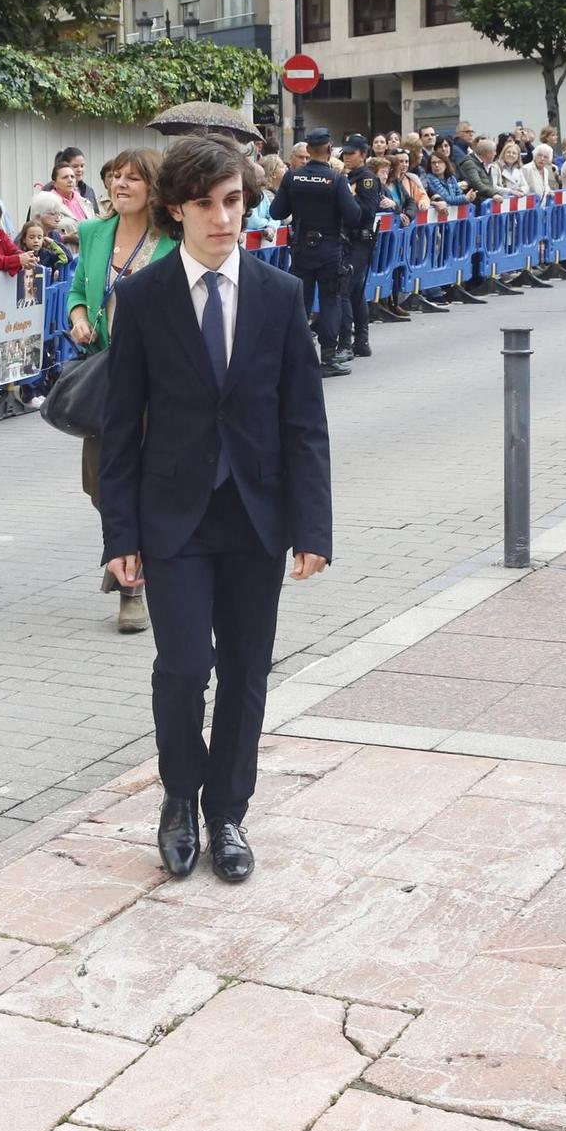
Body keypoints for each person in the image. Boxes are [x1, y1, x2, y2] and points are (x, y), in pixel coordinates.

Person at [98, 135, 333, 883]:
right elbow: (120, 427)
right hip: (173, 516)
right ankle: (178, 797)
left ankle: (227, 812)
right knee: (183, 666)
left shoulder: (279, 293)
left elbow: (304, 421)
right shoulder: (140, 298)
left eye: (233, 201)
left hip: (255, 515)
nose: (222, 218)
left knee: (245, 671)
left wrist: (312, 526)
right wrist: (120, 535)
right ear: (177, 209)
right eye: (205, 203)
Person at [66, 148, 178, 634]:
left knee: (151, 482)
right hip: (109, 375)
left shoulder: (175, 238)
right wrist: (78, 318)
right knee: (102, 484)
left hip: (165, 381)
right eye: (115, 176)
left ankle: (133, 588)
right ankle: (132, 557)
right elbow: (76, 289)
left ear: (154, 187)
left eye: (134, 178)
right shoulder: (93, 233)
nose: (121, 184)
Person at [266, 127, 359, 379]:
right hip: (329, 248)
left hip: (301, 249)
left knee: (300, 303)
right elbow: (354, 215)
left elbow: (276, 212)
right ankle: (328, 358)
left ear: (307, 149)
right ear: (329, 149)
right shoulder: (336, 179)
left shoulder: (292, 178)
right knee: (330, 300)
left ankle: (298, 358)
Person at [339, 136, 385, 362]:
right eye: (345, 153)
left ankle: (346, 342)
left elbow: (366, 213)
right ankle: (362, 342)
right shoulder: (348, 177)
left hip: (359, 240)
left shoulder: (366, 179)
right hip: (347, 240)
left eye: (352, 153)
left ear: (363, 154)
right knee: (355, 291)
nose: (347, 157)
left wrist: (349, 194)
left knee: (345, 289)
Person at [246, 155, 288, 234]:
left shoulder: (263, 196)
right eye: (260, 178)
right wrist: (268, 224)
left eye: (264, 177)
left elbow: (274, 215)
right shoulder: (245, 197)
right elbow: (252, 222)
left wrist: (271, 226)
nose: (264, 181)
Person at [457, 139, 501, 203]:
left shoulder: (488, 164)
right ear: (487, 153)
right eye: (494, 151)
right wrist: (494, 194)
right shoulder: (470, 164)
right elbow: (477, 184)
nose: (495, 153)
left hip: (485, 205)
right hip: (476, 207)